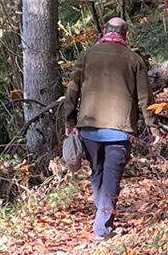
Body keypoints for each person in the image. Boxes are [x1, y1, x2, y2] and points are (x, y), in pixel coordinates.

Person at [60, 15, 151, 238]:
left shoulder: (86, 55)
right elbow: (145, 98)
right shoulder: (134, 59)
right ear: (125, 35)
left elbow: (72, 91)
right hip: (119, 131)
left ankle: (102, 218)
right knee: (111, 179)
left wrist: (69, 121)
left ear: (104, 31)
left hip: (89, 127)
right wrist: (154, 127)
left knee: (97, 173)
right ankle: (102, 226)